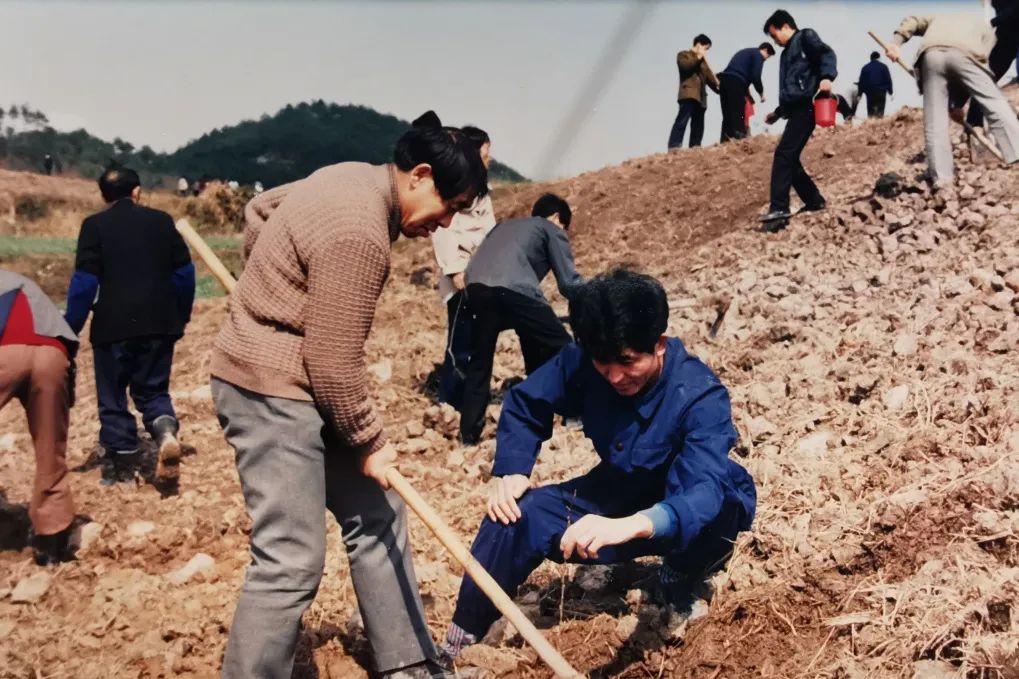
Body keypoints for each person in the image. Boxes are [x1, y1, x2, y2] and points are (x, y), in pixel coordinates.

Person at [209, 125, 488, 679]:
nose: (449, 222)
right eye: (449, 205)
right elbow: (335, 362)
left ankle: (408, 664)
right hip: (269, 388)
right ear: (420, 176)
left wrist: (273, 285)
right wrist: (370, 441)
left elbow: (261, 209)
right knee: (290, 559)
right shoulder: (360, 233)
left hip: (306, 379)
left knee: (378, 510)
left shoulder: (349, 177)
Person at [440, 269, 757, 657]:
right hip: (616, 489)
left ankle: (679, 577)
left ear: (659, 343)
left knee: (723, 501)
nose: (615, 377)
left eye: (627, 362)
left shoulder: (699, 394)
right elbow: (526, 403)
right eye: (603, 365)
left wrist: (630, 526)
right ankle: (462, 637)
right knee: (514, 515)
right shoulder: (583, 360)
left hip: (684, 504)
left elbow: (702, 490)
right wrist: (512, 469)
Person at [64, 167, 195, 485]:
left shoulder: (94, 226)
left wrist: (69, 329)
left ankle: (122, 470)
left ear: (103, 196)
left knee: (112, 396)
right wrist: (180, 315)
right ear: (136, 192)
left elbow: (85, 283)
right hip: (159, 322)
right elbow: (184, 275)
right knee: (153, 390)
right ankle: (164, 431)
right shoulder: (161, 221)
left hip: (113, 325)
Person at [458, 194, 583, 445]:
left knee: (481, 363)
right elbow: (569, 284)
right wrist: (598, 294)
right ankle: (574, 414)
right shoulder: (548, 227)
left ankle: (469, 435)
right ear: (557, 218)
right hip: (514, 289)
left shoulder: (503, 226)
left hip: (475, 289)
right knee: (565, 347)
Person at [885, 13, 1019, 188]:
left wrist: (896, 44)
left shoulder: (937, 19)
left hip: (931, 56)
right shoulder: (985, 29)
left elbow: (913, 21)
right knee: (994, 103)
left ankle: (942, 180)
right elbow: (981, 62)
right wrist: (958, 102)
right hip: (967, 56)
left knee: (935, 121)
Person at [1, 270, 79, 566]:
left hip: (5, 352)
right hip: (52, 354)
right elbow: (67, 340)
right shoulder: (23, 282)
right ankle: (51, 540)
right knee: (50, 449)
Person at [430, 125, 497, 411]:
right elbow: (445, 233)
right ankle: (449, 402)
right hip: (460, 277)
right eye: (485, 153)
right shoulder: (452, 187)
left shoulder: (482, 191)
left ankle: (469, 400)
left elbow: (489, 229)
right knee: (460, 342)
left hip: (481, 275)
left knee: (478, 342)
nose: (489, 159)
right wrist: (456, 271)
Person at [760, 9, 838, 231]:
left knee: (784, 154)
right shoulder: (785, 55)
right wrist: (778, 112)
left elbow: (826, 55)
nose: (774, 41)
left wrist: (826, 77)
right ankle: (814, 201)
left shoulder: (806, 37)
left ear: (785, 26)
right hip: (795, 110)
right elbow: (791, 88)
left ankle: (779, 208)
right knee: (789, 158)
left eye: (774, 35)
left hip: (808, 107)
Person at [966, 0, 1019, 128]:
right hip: (1006, 35)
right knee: (986, 78)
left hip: (1009, 29)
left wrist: (991, 23)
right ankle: (974, 123)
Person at [669, 34, 721, 149]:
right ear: (698, 45)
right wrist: (698, 56)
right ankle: (674, 146)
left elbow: (709, 77)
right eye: (706, 48)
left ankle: (695, 146)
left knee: (698, 125)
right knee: (682, 121)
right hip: (688, 94)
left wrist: (719, 88)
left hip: (701, 97)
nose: (706, 51)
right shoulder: (683, 55)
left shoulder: (703, 62)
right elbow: (686, 67)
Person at [719, 42, 776, 142]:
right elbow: (755, 76)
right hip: (736, 81)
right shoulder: (758, 55)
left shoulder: (747, 52)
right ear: (765, 50)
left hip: (724, 80)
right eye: (768, 56)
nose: (766, 59)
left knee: (727, 114)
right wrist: (761, 93)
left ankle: (725, 141)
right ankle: (740, 139)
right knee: (738, 112)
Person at [858, 52, 894, 118]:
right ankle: (879, 123)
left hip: (870, 93)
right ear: (879, 58)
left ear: (871, 58)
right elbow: (888, 80)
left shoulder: (865, 68)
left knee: (871, 112)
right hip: (881, 92)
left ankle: (871, 124)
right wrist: (891, 93)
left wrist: (859, 94)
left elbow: (861, 82)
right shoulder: (884, 67)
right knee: (880, 111)